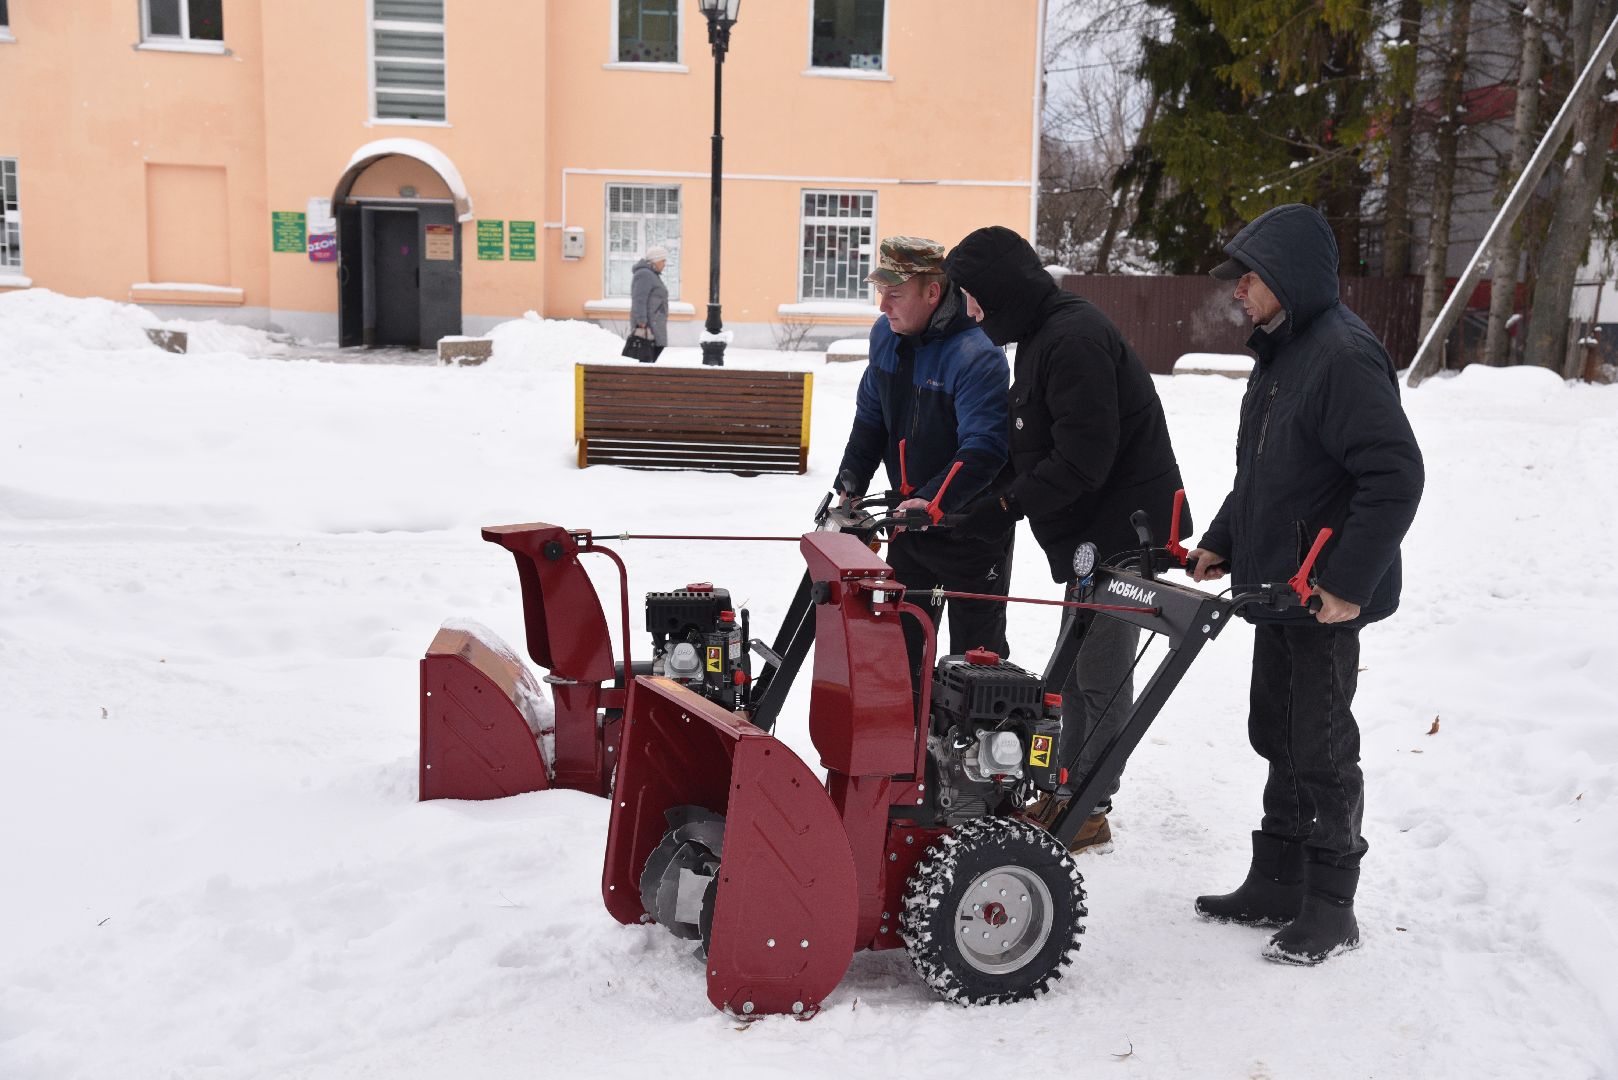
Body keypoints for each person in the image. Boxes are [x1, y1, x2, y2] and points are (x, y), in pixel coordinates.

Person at [1185, 202, 1424, 966]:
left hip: (1322, 597)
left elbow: (1395, 475)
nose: (1237, 291)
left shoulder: (1342, 356)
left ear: (1286, 277)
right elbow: (1262, 473)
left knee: (1319, 746)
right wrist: (1223, 540)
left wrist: (1347, 583)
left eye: (1249, 277)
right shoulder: (1283, 353)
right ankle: (1278, 880)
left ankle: (1330, 904)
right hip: (1279, 589)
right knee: (1277, 732)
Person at [944, 225, 1190, 853]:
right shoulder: (1041, 335)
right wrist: (972, 501)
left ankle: (1086, 805)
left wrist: (1005, 507)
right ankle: (1068, 792)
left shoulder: (1073, 338)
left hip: (1123, 533)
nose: (969, 310)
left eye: (973, 295)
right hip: (1092, 535)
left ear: (1001, 289)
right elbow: (1033, 443)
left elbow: (1084, 459)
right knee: (1078, 671)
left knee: (1099, 674)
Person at [835, 235, 1013, 672]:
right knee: (902, 650)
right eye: (880, 292)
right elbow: (871, 417)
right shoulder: (886, 335)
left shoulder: (977, 353)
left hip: (970, 527)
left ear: (932, 293)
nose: (883, 306)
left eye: (894, 295)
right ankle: (910, 716)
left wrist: (931, 501)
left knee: (975, 661)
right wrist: (851, 480)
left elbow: (985, 447)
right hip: (910, 522)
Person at [628, 245, 670, 362]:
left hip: (655, 323)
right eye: (663, 261)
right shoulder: (644, 274)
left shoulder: (652, 274)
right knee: (646, 359)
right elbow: (639, 299)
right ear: (656, 260)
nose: (664, 264)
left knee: (651, 357)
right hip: (649, 326)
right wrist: (641, 321)